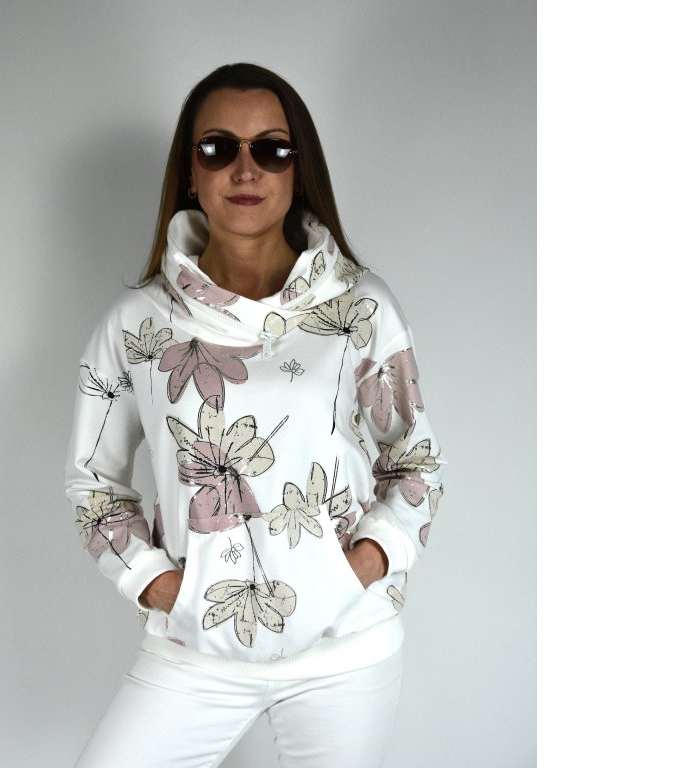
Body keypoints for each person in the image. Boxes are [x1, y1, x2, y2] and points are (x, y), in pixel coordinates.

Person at [64, 63, 445, 767]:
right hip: (195, 650)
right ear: (190, 172)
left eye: (271, 148)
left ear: (299, 169)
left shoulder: (361, 308)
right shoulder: (136, 325)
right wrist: (161, 586)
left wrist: (359, 568)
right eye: (218, 148)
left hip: (345, 648)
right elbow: (95, 485)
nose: (246, 169)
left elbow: (415, 462)